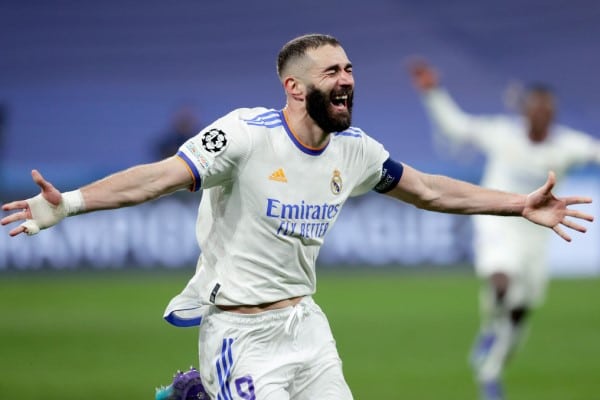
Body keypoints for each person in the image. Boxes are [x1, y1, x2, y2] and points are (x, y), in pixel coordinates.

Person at [1, 34, 594, 400]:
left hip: (307, 327)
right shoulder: (244, 135)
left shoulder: (355, 149)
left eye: (350, 70)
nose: (347, 81)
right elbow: (158, 177)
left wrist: (518, 203)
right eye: (332, 72)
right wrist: (69, 203)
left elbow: (430, 191)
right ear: (293, 86)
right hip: (240, 332)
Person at [409, 60, 600, 400]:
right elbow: (456, 127)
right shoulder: (501, 133)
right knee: (502, 279)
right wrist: (432, 91)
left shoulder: (566, 145)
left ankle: (491, 367)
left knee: (520, 309)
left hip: (536, 234)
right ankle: (490, 332)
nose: (543, 115)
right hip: (497, 220)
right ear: (526, 111)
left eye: (548, 110)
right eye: (537, 108)